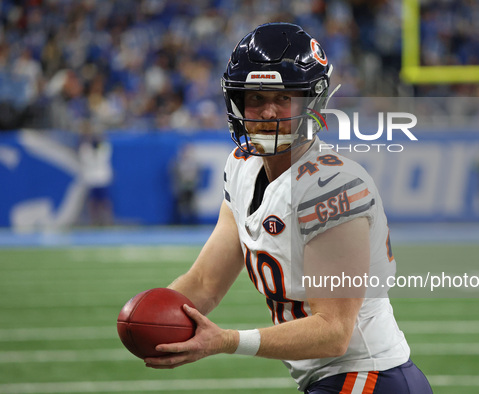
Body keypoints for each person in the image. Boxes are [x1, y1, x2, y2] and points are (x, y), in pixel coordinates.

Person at [144, 23, 432, 393]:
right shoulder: (242, 166)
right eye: (256, 99)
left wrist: (227, 340)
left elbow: (333, 331)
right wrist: (156, 317)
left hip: (368, 375)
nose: (268, 112)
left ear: (312, 103)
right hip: (332, 377)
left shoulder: (332, 186)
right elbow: (205, 283)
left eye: (284, 98)